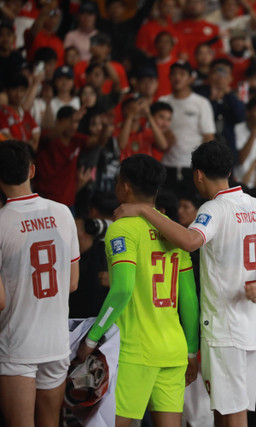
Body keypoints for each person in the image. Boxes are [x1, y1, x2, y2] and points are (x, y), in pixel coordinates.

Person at [114, 140, 256, 427]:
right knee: (232, 412)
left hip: (224, 330)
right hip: (253, 329)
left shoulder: (214, 208)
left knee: (231, 415)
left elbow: (190, 241)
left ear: (198, 174)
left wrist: (145, 211)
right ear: (229, 170)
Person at [74, 154, 199, 426]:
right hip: (173, 348)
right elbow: (189, 298)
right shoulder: (176, 232)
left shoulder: (122, 228)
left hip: (134, 351)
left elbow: (122, 290)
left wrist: (91, 339)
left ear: (124, 186)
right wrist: (191, 351)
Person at [0, 140, 80, 427]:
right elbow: (72, 284)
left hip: (17, 345)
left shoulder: (1, 222)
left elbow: (0, 301)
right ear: (32, 170)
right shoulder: (62, 212)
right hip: (56, 343)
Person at [159, 60, 215, 191]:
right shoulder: (163, 101)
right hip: (165, 164)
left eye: (182, 74)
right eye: (174, 74)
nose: (177, 77)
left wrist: (201, 167)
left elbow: (208, 137)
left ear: (191, 78)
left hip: (191, 168)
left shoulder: (201, 103)